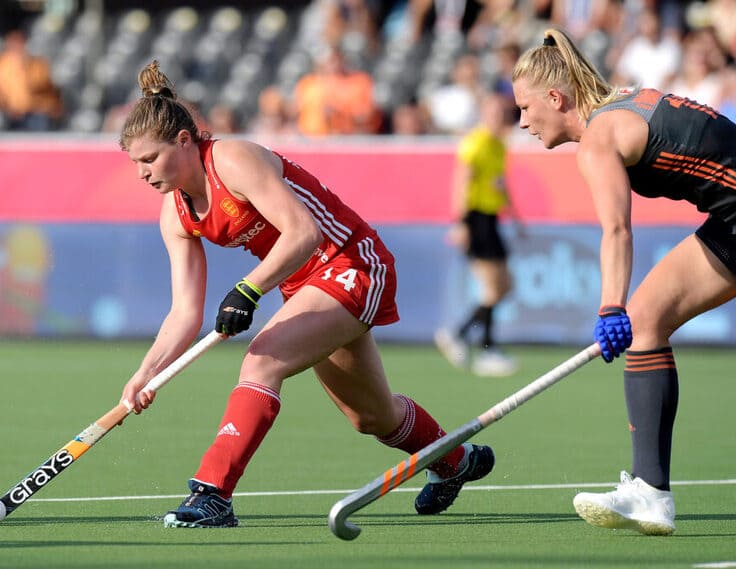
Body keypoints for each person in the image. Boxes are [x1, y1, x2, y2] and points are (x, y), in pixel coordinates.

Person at [117, 60, 495, 528]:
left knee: (262, 359)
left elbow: (304, 232)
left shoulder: (232, 160)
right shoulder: (175, 215)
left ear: (183, 141)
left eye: (148, 159)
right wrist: (146, 373)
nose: (141, 174)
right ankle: (457, 461)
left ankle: (213, 493)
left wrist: (248, 290)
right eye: (135, 163)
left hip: (354, 263)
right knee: (372, 417)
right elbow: (184, 312)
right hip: (306, 287)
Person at [511, 28, 736, 536]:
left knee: (639, 317)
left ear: (555, 97)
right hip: (730, 223)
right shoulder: (624, 103)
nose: (522, 122)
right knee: (649, 320)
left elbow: (616, 228)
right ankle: (651, 492)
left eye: (526, 108)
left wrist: (610, 307)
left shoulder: (598, 138)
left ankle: (651, 492)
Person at [434, 92, 520, 377]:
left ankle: (465, 338)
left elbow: (499, 182)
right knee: (493, 288)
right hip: (476, 220)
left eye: (503, 113)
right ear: (484, 115)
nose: (500, 118)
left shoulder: (498, 145)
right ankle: (481, 347)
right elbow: (462, 181)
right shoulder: (477, 143)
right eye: (494, 113)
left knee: (504, 286)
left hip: (491, 219)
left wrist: (516, 217)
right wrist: (461, 222)